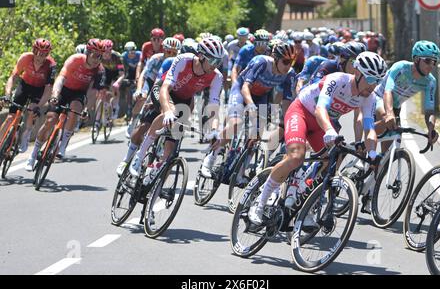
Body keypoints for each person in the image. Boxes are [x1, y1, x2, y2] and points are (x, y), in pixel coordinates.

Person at [248, 52, 388, 225]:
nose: (373, 85)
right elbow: (320, 108)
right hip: (302, 112)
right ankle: (260, 201)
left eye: (378, 81)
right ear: (358, 73)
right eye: (370, 79)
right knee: (296, 156)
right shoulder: (338, 80)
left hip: (320, 125)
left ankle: (304, 202)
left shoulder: (369, 98)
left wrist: (373, 153)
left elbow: (369, 128)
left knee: (330, 162)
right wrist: (329, 130)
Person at [116, 37, 224, 177]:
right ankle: (138, 157)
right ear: (201, 56)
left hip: (184, 99)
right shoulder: (184, 60)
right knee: (144, 128)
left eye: (219, 62)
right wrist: (167, 111)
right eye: (214, 61)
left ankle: (154, 178)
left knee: (171, 149)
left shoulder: (216, 76)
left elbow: (214, 106)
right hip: (163, 90)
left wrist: (215, 130)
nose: (215, 66)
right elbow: (165, 88)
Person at [200, 42, 297, 178]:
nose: (288, 66)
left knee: (255, 136)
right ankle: (210, 157)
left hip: (261, 96)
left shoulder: (290, 74)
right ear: (276, 59)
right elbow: (245, 87)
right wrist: (250, 105)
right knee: (235, 123)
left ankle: (239, 173)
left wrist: (286, 121)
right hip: (241, 90)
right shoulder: (261, 62)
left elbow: (286, 101)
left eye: (291, 62)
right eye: (285, 62)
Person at [25, 39, 106, 170]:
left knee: (76, 110)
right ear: (88, 52)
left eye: (100, 56)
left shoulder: (100, 70)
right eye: (95, 55)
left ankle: (63, 145)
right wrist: (55, 95)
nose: (98, 59)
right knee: (50, 121)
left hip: (78, 93)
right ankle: (33, 154)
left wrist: (87, 109)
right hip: (63, 90)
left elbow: (92, 92)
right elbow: (61, 78)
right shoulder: (75, 60)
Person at [0, 39, 56, 153]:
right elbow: (13, 77)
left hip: (39, 90)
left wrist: (39, 106)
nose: (40, 56)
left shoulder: (51, 65)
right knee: (10, 117)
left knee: (31, 111)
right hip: (24, 86)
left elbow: (48, 89)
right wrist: (7, 94)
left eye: (45, 54)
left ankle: (26, 136)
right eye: (38, 52)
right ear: (33, 50)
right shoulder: (25, 58)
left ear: (48, 54)